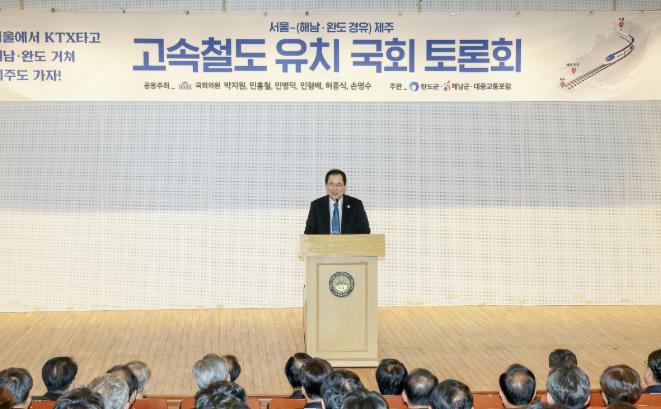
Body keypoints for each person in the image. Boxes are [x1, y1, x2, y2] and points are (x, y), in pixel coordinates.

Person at [304, 169, 370, 234]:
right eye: (331, 184)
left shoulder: (356, 205)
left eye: (339, 185)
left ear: (344, 187)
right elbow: (308, 234)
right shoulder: (316, 206)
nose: (335, 189)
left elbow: (365, 232)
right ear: (326, 186)